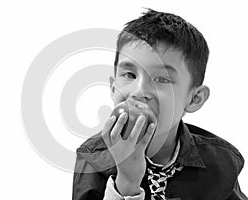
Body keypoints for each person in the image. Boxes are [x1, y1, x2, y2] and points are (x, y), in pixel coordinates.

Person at [72, 8, 247, 200]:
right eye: (129, 75)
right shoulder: (93, 158)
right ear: (113, 88)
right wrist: (127, 182)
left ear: (194, 99)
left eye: (161, 79)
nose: (139, 91)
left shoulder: (220, 162)